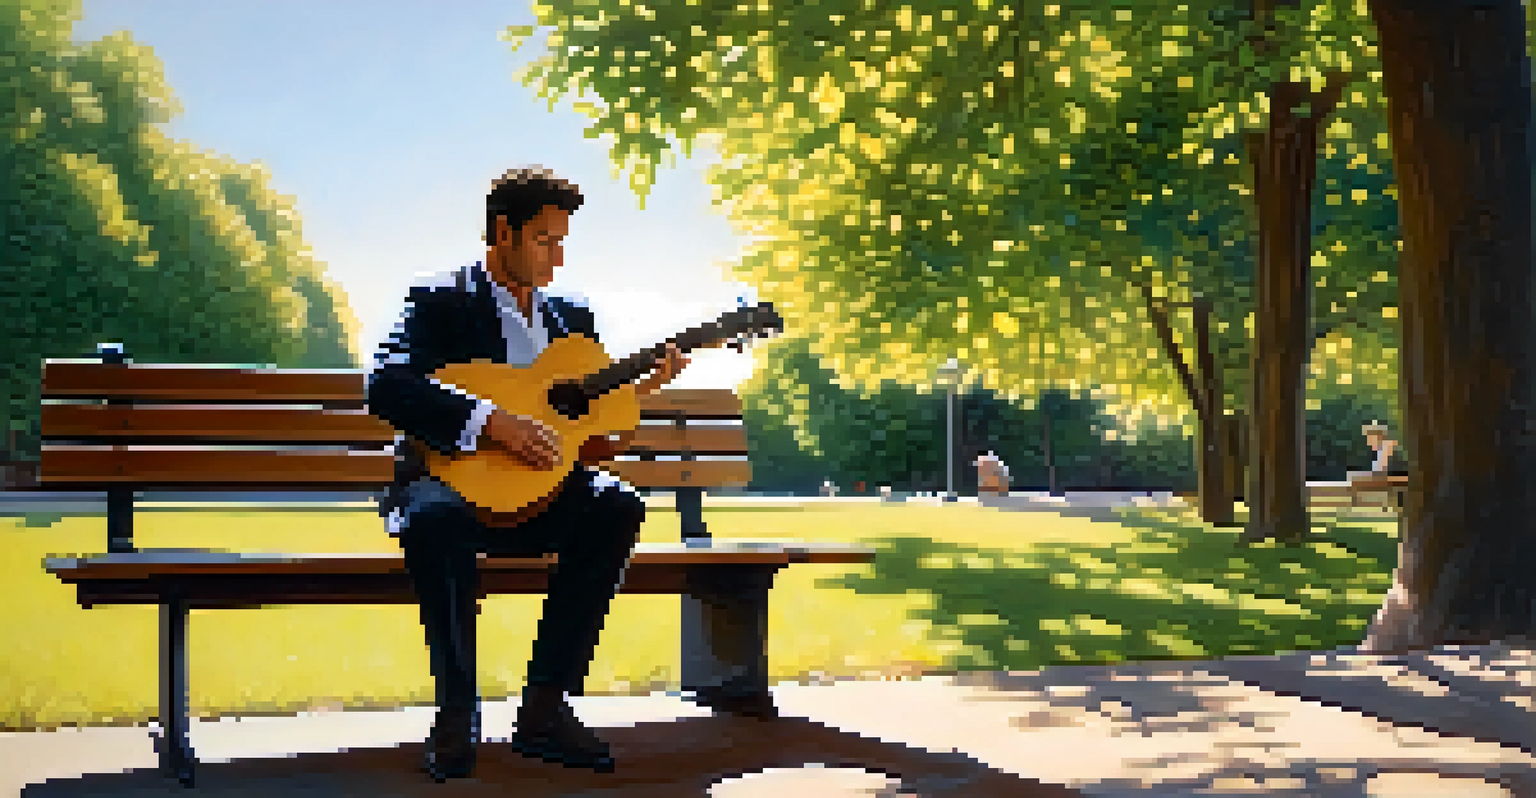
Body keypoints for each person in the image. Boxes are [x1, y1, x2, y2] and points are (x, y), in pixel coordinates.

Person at [366, 166, 693, 781]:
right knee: (433, 519)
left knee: (616, 504)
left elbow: (582, 445)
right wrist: (492, 422)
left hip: (539, 499)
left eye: (563, 240)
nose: (557, 258)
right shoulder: (441, 300)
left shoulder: (573, 320)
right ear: (502, 232)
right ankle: (456, 712)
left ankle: (546, 707)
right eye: (545, 240)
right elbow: (385, 384)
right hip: (453, 487)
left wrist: (636, 394)